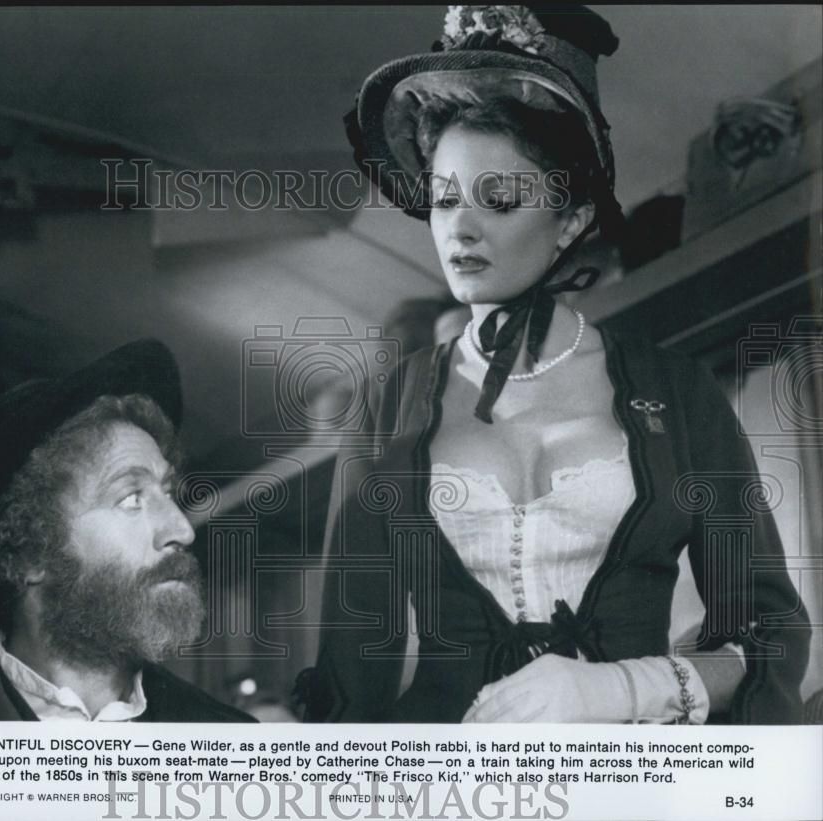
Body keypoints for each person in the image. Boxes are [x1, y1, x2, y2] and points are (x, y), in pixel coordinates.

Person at [304, 5, 809, 724]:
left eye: (499, 199)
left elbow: (766, 636)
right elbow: (350, 675)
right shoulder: (385, 408)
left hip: (630, 776)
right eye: (444, 199)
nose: (460, 228)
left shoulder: (678, 394)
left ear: (569, 221)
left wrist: (620, 688)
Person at [0, 339, 254, 722]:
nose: (182, 529)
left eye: (168, 492)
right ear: (30, 552)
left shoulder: (232, 738)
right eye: (131, 498)